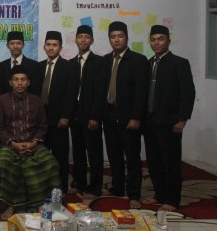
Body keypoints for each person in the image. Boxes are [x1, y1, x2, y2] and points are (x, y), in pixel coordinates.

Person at [0, 66, 59, 219]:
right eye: (16, 80)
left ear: (28, 82)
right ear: (10, 82)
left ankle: (43, 204)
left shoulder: (36, 100)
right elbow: (0, 127)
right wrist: (14, 144)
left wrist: (33, 143)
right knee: (4, 161)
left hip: (34, 145)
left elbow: (42, 126)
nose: (19, 83)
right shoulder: (1, 100)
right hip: (10, 145)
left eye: (23, 80)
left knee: (50, 162)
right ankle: (11, 205)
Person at [143, 25, 195, 211]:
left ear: (168, 41)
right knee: (154, 161)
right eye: (153, 39)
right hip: (150, 121)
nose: (156, 43)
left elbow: (188, 93)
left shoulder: (179, 63)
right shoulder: (148, 63)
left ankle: (172, 199)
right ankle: (159, 193)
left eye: (160, 39)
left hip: (170, 122)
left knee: (171, 162)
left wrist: (182, 119)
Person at [97, 21, 149, 209]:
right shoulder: (105, 60)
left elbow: (142, 92)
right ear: (109, 39)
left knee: (132, 157)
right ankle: (117, 187)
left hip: (129, 117)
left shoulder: (138, 60)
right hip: (109, 114)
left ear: (126, 38)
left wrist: (136, 117)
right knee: (114, 154)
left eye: (120, 36)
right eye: (113, 37)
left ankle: (134, 194)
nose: (116, 40)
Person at [33, 30, 74, 193]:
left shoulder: (68, 67)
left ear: (60, 48)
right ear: (44, 47)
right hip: (40, 120)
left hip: (59, 120)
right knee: (41, 156)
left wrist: (65, 116)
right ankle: (43, 188)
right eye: (48, 45)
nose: (51, 48)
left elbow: (70, 94)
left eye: (54, 45)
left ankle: (61, 188)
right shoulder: (38, 67)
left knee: (60, 156)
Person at [68, 25, 104, 197]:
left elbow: (100, 92)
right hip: (75, 114)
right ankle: (79, 183)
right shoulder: (71, 63)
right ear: (75, 40)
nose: (83, 40)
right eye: (80, 37)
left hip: (91, 114)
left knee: (94, 152)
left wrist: (95, 116)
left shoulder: (99, 62)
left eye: (87, 37)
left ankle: (95, 186)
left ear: (92, 40)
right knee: (78, 151)